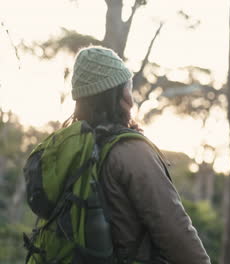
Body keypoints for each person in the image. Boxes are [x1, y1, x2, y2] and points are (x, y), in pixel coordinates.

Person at [68, 46, 211, 264]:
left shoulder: (70, 150)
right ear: (121, 95)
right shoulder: (131, 152)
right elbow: (175, 230)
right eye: (128, 87)